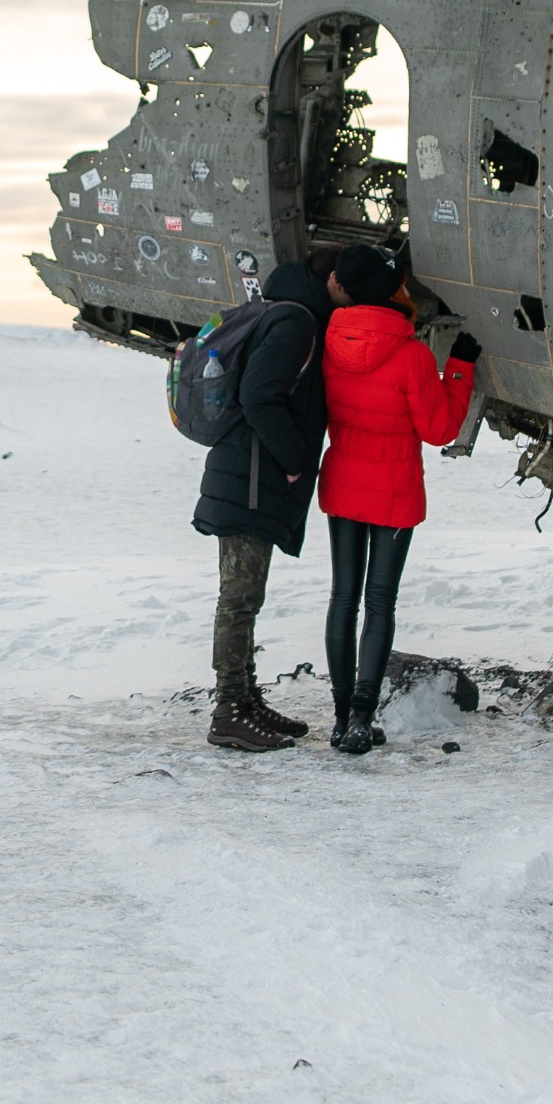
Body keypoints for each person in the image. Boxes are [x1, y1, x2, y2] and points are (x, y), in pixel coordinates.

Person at [316, 245, 480, 756]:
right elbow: (439, 429)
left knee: (343, 599)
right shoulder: (410, 354)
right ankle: (365, 718)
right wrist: (459, 367)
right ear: (393, 291)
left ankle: (343, 717)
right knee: (378, 601)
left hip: (343, 478)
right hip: (393, 490)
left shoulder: (329, 339)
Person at [190, 254, 338, 752]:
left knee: (244, 596)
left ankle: (247, 701)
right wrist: (295, 460)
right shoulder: (295, 321)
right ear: (327, 281)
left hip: (244, 475)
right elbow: (258, 395)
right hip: (250, 479)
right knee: (238, 598)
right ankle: (229, 710)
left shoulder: (275, 312)